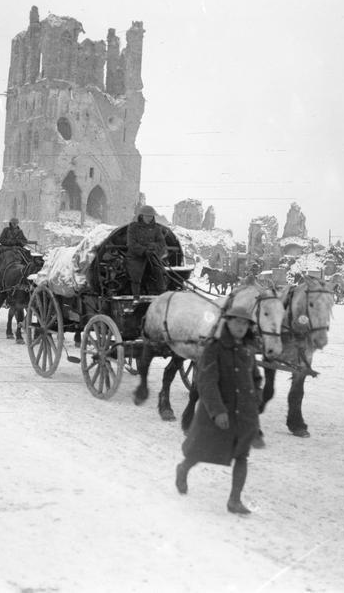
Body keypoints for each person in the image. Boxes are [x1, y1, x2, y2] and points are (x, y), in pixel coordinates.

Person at [175, 305, 262, 515]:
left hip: (243, 413)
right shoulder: (214, 348)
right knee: (200, 450)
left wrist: (255, 399)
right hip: (218, 412)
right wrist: (217, 410)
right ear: (228, 322)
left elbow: (256, 378)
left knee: (241, 455)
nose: (241, 327)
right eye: (237, 322)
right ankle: (183, 468)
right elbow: (206, 381)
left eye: (245, 323)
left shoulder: (248, 348)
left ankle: (234, 501)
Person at [126, 205, 168, 299]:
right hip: (136, 256)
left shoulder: (156, 228)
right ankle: (136, 298)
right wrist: (144, 250)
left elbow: (161, 243)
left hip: (152, 255)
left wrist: (153, 247)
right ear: (141, 216)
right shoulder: (133, 227)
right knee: (136, 275)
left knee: (160, 272)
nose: (150, 218)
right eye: (148, 216)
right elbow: (131, 244)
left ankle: (162, 296)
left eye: (151, 216)